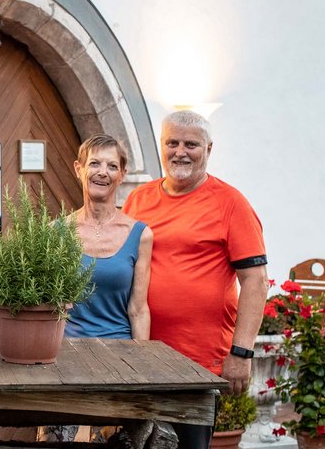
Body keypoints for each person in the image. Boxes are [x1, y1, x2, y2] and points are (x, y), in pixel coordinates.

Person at [123, 110, 269, 448]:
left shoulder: (230, 203)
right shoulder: (138, 199)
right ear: (161, 145)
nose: (180, 151)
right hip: (141, 357)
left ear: (209, 149)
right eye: (172, 143)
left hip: (198, 362)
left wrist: (242, 353)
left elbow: (256, 281)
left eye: (191, 144)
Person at [43, 134, 152, 444]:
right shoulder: (57, 233)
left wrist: (143, 370)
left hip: (120, 364)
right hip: (66, 362)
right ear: (79, 169)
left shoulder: (141, 235)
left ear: (122, 174)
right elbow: (52, 305)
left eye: (111, 165)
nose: (102, 172)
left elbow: (138, 308)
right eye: (94, 163)